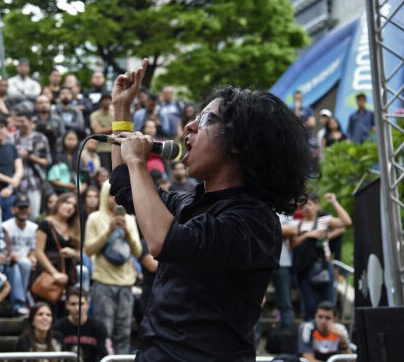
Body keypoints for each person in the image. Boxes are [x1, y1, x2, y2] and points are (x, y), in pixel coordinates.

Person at [107, 59, 318, 361]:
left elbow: (162, 241)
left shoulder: (253, 221)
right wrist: (121, 110)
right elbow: (125, 188)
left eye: (206, 120)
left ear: (238, 143)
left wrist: (139, 162)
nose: (189, 126)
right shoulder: (190, 204)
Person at [84, 181, 142, 354]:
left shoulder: (130, 219)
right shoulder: (95, 218)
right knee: (104, 331)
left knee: (124, 332)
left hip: (126, 283)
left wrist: (128, 232)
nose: (115, 199)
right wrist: (108, 231)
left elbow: (138, 251)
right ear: (103, 196)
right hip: (103, 282)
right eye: (111, 194)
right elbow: (89, 249)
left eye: (118, 194)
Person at [285, 193, 351, 321]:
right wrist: (308, 235)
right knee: (309, 306)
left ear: (317, 206)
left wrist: (334, 202)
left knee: (329, 305)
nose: (307, 207)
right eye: (303, 204)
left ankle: (329, 335)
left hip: (324, 267)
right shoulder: (296, 225)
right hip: (304, 270)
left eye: (310, 204)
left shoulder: (324, 220)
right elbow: (291, 245)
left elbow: (346, 222)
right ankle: (310, 335)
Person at [34, 193, 80, 304]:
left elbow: (81, 252)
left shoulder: (74, 226)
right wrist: (54, 273)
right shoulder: (45, 223)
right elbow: (38, 252)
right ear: (59, 203)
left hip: (69, 272)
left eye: (73, 206)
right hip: (49, 271)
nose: (70, 207)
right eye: (67, 203)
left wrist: (73, 252)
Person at [7, 109, 52, 220]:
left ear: (30, 122)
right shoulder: (11, 138)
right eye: (17, 121)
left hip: (34, 183)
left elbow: (47, 162)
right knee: (13, 216)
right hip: (15, 183)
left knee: (33, 215)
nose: (19, 124)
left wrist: (30, 157)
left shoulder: (40, 138)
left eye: (22, 121)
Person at [1, 194, 38, 317]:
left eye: (25, 208)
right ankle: (20, 303)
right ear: (13, 209)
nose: (23, 211)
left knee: (25, 263)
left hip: (26, 263)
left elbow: (33, 249)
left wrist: (32, 257)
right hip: (9, 264)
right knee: (17, 265)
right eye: (20, 208)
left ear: (30, 209)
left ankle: (20, 304)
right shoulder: (5, 226)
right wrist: (9, 256)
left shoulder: (34, 228)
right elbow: (2, 249)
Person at [54, 287, 111, 362]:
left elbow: (104, 356)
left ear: (88, 304)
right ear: (66, 305)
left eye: (81, 304)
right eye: (73, 304)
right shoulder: (58, 327)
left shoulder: (99, 327)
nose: (77, 308)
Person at [48, 130, 88, 195]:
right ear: (63, 140)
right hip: (60, 192)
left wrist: (80, 190)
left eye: (73, 139)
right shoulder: (58, 156)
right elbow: (52, 178)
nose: (71, 142)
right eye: (69, 139)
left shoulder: (80, 157)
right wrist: (67, 186)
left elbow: (86, 179)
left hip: (78, 192)